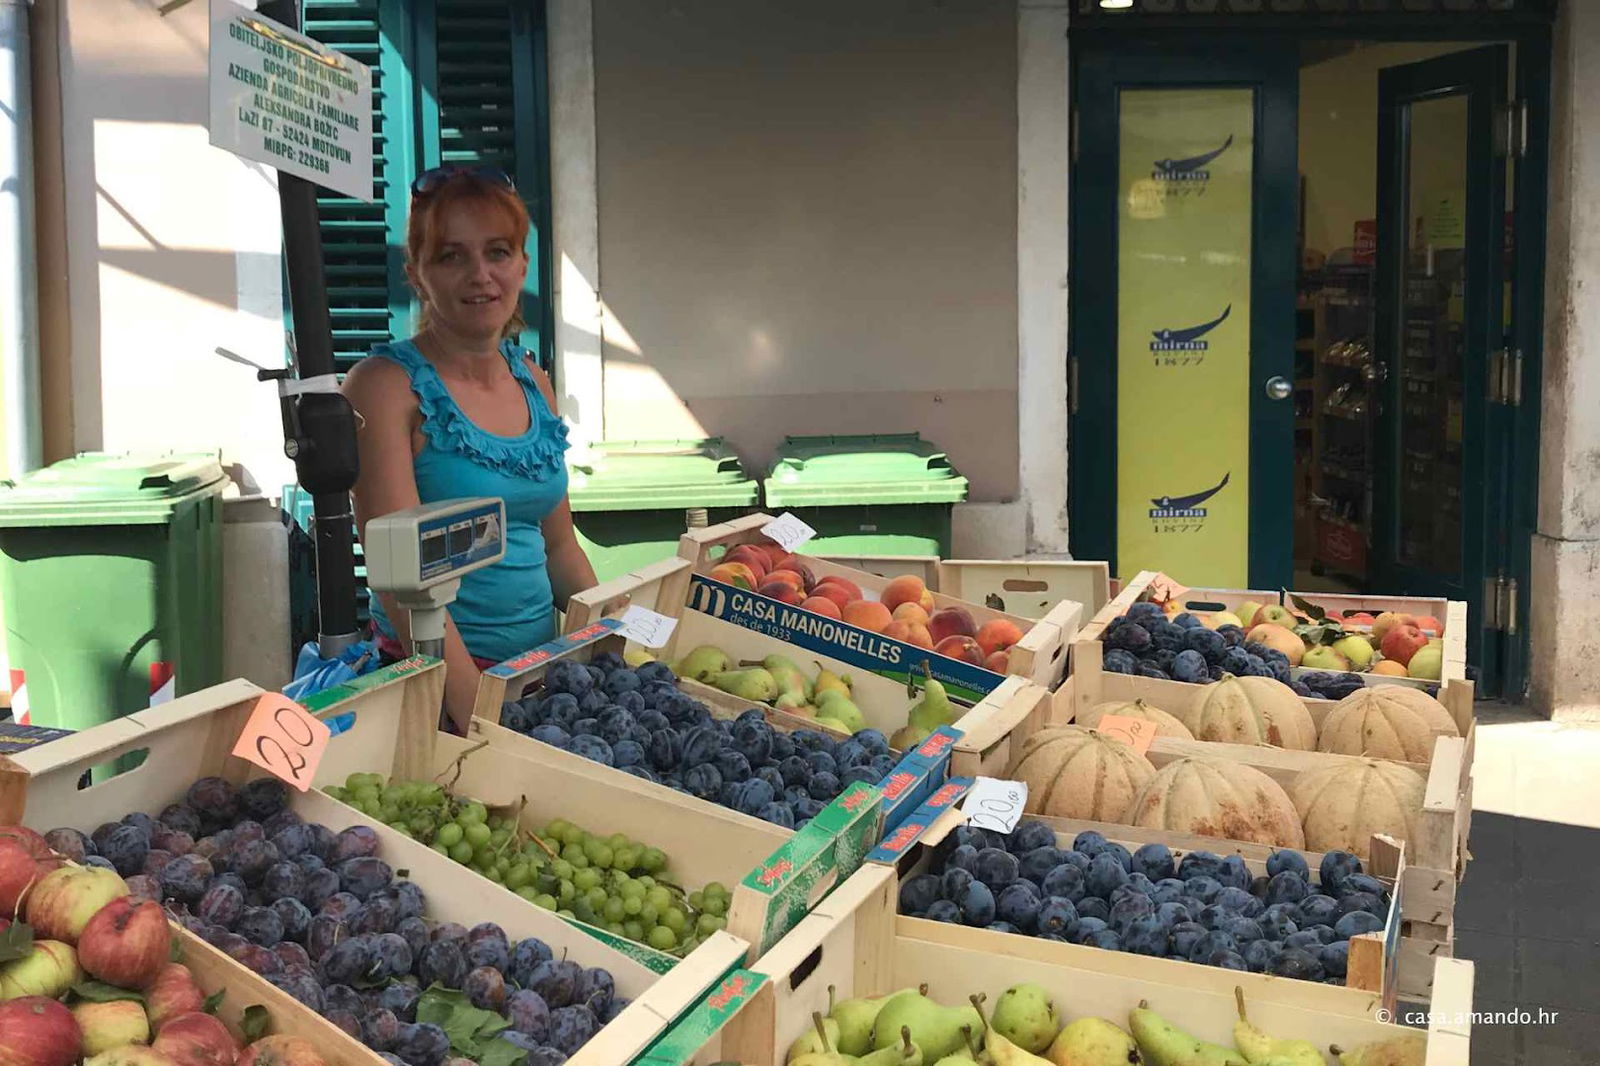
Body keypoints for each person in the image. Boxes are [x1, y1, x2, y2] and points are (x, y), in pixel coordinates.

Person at [342, 164, 599, 733]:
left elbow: (559, 545)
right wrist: (480, 714)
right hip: (439, 694)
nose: (480, 275)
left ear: (523, 264)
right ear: (417, 274)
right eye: (451, 256)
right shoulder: (384, 386)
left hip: (540, 682)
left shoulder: (534, 379)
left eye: (498, 252)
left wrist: (613, 646)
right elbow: (399, 580)